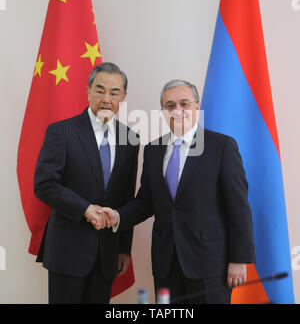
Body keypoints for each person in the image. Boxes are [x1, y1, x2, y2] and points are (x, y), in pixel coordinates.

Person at [97, 79, 256, 304]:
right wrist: (118, 216)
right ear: (163, 110)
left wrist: (239, 259)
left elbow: (238, 206)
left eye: (184, 103)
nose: (178, 111)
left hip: (210, 263)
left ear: (197, 107)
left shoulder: (222, 147)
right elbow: (146, 202)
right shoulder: (153, 150)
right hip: (166, 262)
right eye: (170, 105)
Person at [34, 62, 139, 304]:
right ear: (88, 91)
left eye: (114, 92)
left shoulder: (131, 139)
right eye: (100, 90)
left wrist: (124, 248)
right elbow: (44, 184)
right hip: (67, 250)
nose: (106, 98)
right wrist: (84, 208)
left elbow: (126, 197)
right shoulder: (61, 132)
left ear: (123, 97)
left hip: (107, 253)